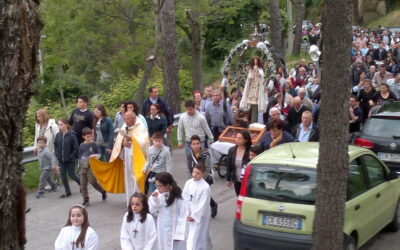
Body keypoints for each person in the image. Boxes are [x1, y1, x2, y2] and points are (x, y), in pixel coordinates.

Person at [110, 111, 150, 205]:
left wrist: (131, 140)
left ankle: (139, 201)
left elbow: (144, 142)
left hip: (137, 157)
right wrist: (122, 144)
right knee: (128, 178)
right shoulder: (124, 126)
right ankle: (130, 201)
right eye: (125, 118)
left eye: (128, 119)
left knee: (136, 178)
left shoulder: (140, 126)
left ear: (134, 118)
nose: (126, 121)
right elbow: (119, 139)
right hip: (127, 156)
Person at [148, 172, 188, 250]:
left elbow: (183, 214)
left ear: (168, 185)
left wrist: (179, 233)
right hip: (161, 227)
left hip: (174, 227)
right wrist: (155, 199)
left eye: (160, 186)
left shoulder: (178, 196)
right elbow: (152, 210)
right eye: (156, 185)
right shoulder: (157, 194)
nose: (157, 188)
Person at [187, 135, 218, 218]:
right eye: (193, 144)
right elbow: (189, 167)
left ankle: (212, 206)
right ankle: (198, 211)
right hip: (194, 178)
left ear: (200, 144)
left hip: (205, 178)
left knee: (204, 195)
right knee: (196, 194)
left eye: (197, 143)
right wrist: (192, 178)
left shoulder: (206, 154)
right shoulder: (189, 155)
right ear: (191, 145)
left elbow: (207, 168)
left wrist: (201, 179)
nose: (196, 145)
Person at [182, 163, 211, 250]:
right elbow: (185, 197)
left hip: (199, 215)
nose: (194, 174)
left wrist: (194, 216)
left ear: (203, 174)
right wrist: (186, 211)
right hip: (189, 211)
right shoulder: (188, 183)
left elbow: (204, 204)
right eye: (194, 172)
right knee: (189, 235)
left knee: (197, 236)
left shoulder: (205, 187)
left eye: (197, 173)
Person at [79, 128, 107, 207]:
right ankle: (86, 199)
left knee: (92, 182)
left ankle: (102, 191)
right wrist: (80, 165)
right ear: (83, 137)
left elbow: (99, 154)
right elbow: (80, 156)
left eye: (91, 136)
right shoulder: (81, 145)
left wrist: (95, 156)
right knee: (83, 184)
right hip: (83, 166)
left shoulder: (94, 144)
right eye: (88, 137)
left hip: (91, 167)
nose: (90, 138)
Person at [54, 118, 80, 198]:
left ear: (66, 125)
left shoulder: (72, 136)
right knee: (63, 176)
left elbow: (76, 148)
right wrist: (57, 155)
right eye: (58, 125)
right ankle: (67, 191)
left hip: (70, 160)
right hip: (61, 160)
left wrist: (71, 156)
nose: (59, 126)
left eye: (61, 124)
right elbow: (56, 145)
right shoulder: (58, 135)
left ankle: (82, 185)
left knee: (72, 175)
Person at [34, 108, 60, 186]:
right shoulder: (37, 125)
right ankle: (51, 183)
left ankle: (58, 180)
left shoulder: (53, 125)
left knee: (54, 168)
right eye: (37, 116)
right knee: (46, 168)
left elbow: (58, 137)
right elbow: (36, 136)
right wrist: (35, 147)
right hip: (42, 150)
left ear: (44, 116)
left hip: (51, 149)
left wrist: (58, 149)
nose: (38, 118)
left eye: (39, 116)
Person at [240, 56, 266, 123]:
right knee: (252, 105)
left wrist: (259, 77)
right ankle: (251, 121)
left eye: (256, 60)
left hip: (257, 86)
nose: (255, 62)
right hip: (252, 86)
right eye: (254, 60)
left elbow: (262, 76)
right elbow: (249, 78)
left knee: (255, 106)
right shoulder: (251, 69)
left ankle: (253, 121)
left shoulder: (260, 69)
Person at [225, 130, 252, 196]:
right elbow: (228, 166)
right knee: (239, 197)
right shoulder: (232, 150)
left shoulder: (250, 151)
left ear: (245, 140)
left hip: (247, 181)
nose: (237, 139)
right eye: (236, 137)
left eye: (240, 138)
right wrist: (228, 179)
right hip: (236, 180)